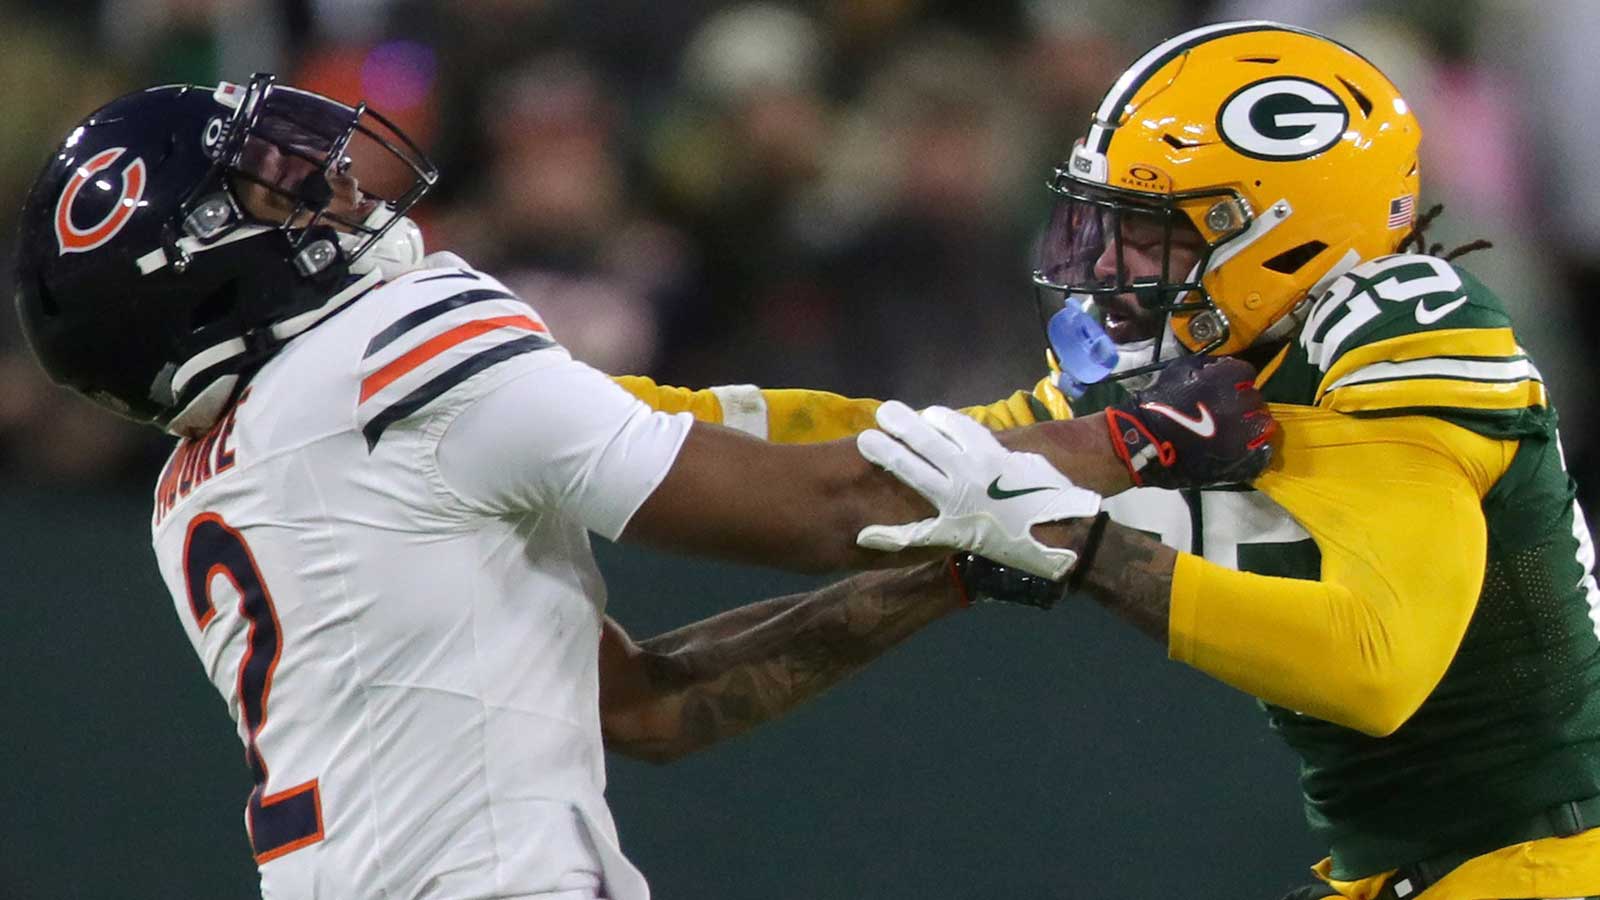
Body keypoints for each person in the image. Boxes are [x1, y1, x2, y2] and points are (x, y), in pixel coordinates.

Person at [11, 76, 1273, 899]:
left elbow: (658, 708)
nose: (336, 188)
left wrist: (953, 570)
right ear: (196, 263)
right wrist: (1139, 439)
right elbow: (821, 509)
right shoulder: (387, 352)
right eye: (271, 186)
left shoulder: (206, 484)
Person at [619, 20, 1600, 900]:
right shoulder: (1195, 374)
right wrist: (603, 405)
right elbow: (908, 438)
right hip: (1409, 868)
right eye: (1109, 225)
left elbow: (1378, 666)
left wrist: (1071, 542)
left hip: (1540, 864)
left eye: (1153, 234)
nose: (1109, 267)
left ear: (1290, 234)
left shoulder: (1401, 331)